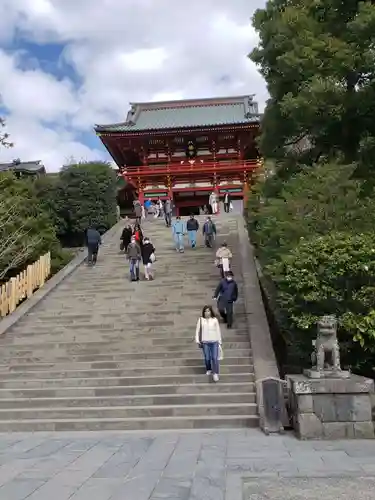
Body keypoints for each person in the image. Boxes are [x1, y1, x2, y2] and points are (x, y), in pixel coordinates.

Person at [195, 305, 222, 382]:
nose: (207, 313)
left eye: (208, 311)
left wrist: (219, 342)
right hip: (205, 342)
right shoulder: (201, 320)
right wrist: (197, 340)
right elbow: (197, 331)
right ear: (203, 312)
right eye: (206, 311)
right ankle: (209, 369)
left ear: (211, 312)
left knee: (214, 357)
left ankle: (216, 373)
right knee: (207, 358)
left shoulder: (214, 320)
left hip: (214, 341)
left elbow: (218, 331)